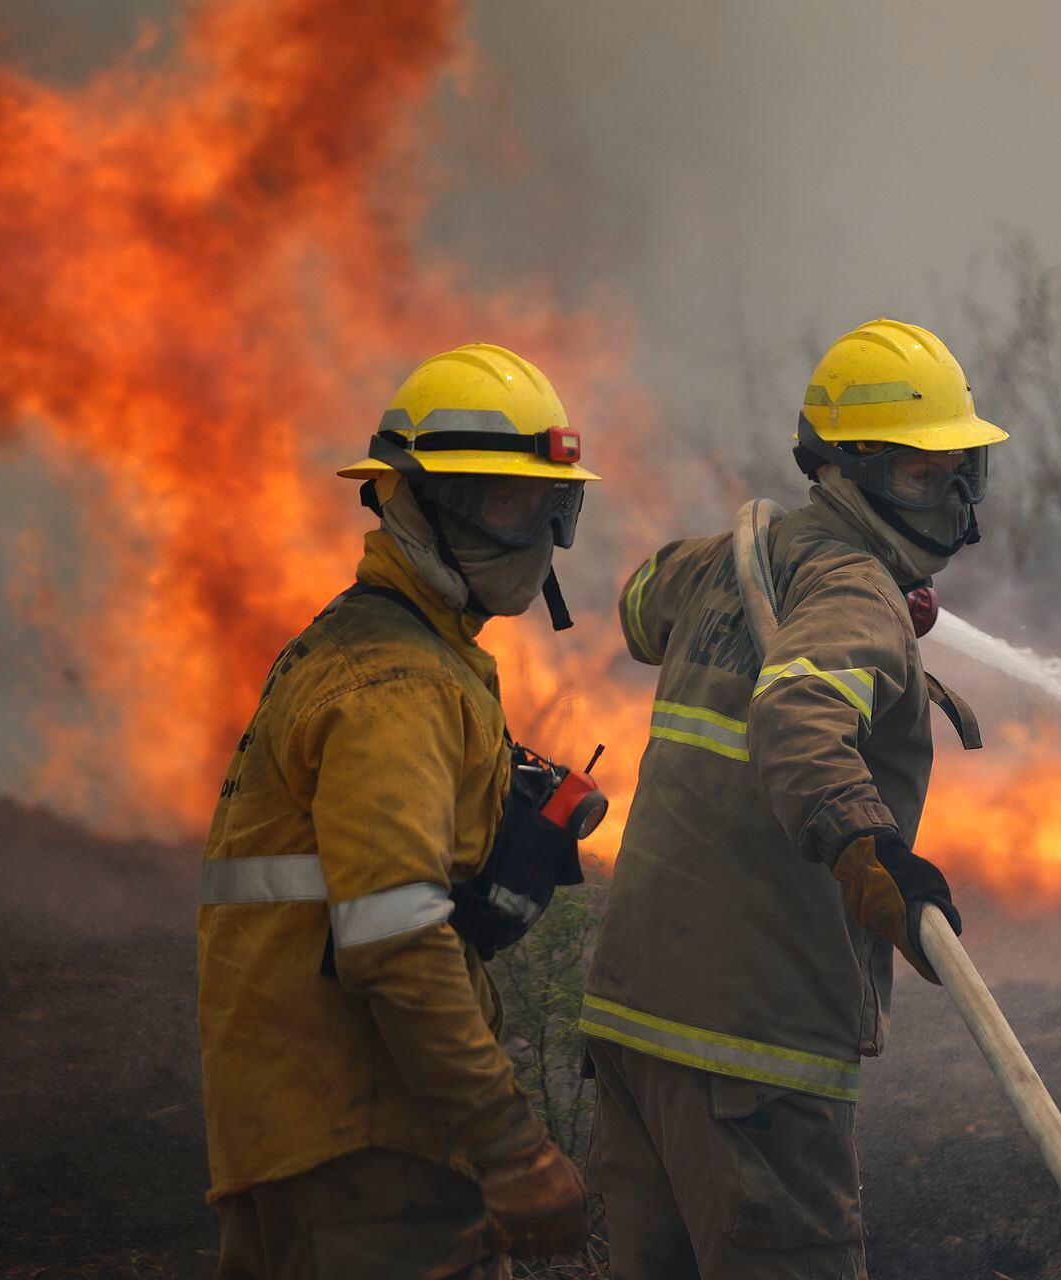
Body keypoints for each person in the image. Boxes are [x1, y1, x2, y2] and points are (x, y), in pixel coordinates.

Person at [581, 317, 1007, 1278]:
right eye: (915, 475)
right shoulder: (853, 592)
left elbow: (640, 604)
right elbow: (799, 718)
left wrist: (758, 563)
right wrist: (873, 853)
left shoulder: (745, 561)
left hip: (634, 1024)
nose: (947, 502)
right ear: (843, 468)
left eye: (954, 474)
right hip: (754, 1055)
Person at [197, 343, 598, 1278]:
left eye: (547, 507)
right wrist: (514, 1145)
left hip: (310, 1132)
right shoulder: (397, 682)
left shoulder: (371, 646)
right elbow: (394, 937)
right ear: (415, 499)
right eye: (506, 504)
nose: (533, 534)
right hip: (370, 1149)